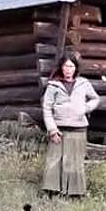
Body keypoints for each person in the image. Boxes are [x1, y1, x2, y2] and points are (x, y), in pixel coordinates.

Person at [41, 54, 99, 197]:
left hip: (78, 128)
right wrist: (52, 130)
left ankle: (75, 193)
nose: (68, 69)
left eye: (71, 66)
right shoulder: (53, 85)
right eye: (66, 66)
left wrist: (85, 108)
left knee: (75, 161)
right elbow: (46, 108)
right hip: (59, 129)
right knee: (55, 160)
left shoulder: (83, 83)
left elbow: (95, 98)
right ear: (61, 67)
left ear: (75, 68)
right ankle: (52, 192)